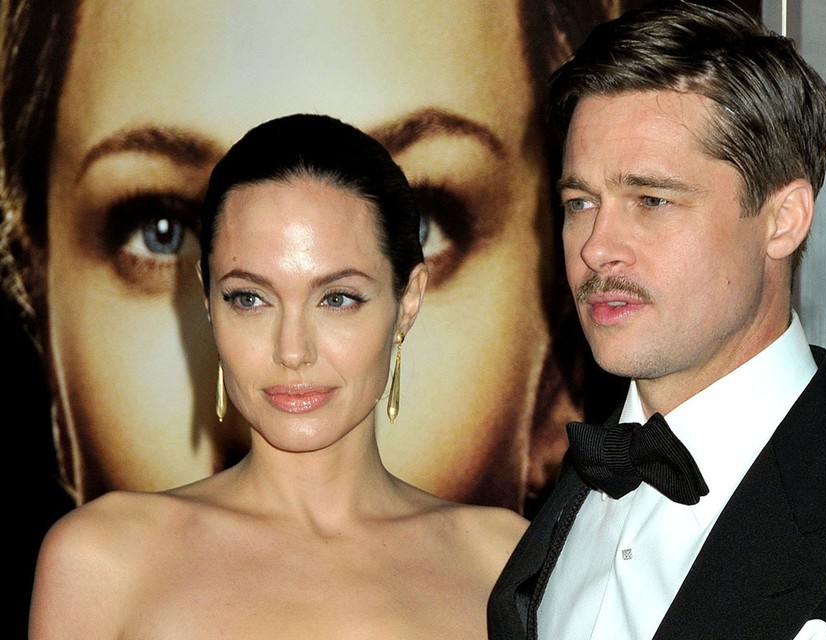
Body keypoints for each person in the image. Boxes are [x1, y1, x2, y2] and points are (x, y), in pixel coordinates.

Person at [0, 0, 620, 523]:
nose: (292, 355)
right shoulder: (90, 568)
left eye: (419, 221)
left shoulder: (510, 570)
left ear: (560, 331)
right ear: (35, 285)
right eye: (162, 230)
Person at [488, 1, 826, 639]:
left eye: (651, 200)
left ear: (783, 220)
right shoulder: (565, 505)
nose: (596, 247)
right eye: (580, 202)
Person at [29, 113, 529, 639]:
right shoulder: (101, 560)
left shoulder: (503, 561)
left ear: (407, 302)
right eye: (250, 298)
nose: (292, 351)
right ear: (208, 300)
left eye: (338, 299)